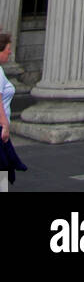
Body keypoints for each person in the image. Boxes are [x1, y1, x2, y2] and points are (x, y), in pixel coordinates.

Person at [0, 32, 27, 191]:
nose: (10, 52)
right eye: (7, 49)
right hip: (0, 128)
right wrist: (5, 125)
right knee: (2, 167)